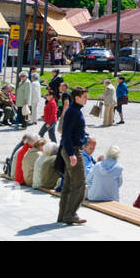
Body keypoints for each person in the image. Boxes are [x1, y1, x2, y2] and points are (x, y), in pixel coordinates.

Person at [57, 86, 89, 225]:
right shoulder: (74, 112)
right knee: (79, 185)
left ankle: (64, 215)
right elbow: (67, 134)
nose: (87, 99)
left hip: (71, 149)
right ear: (77, 97)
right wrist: (71, 154)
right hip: (73, 150)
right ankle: (70, 215)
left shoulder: (74, 110)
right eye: (85, 97)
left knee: (69, 185)